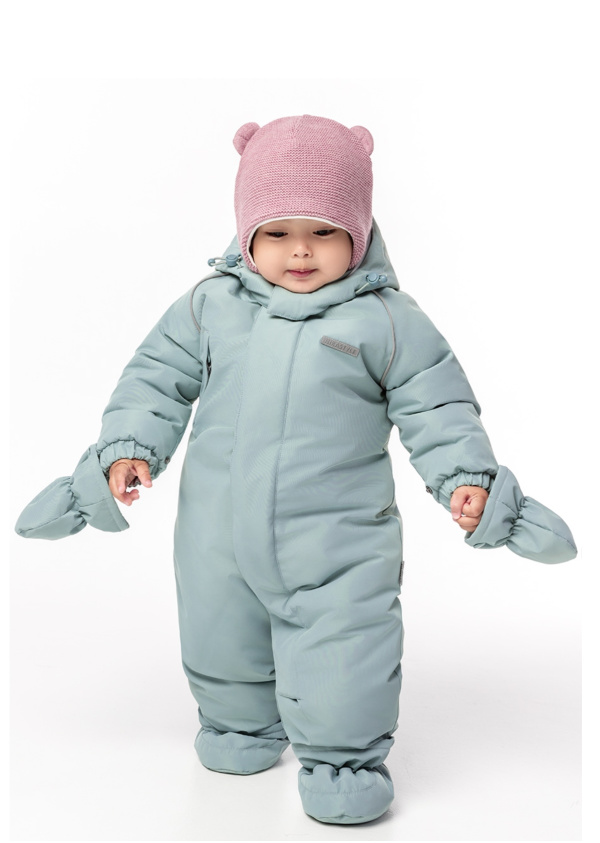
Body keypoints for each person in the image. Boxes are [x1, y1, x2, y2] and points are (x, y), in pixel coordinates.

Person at [15, 115, 577, 825]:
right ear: (246, 233)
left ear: (359, 233)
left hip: (338, 541)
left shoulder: (386, 321)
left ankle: (344, 760)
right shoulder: (210, 306)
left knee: (347, 649)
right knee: (220, 632)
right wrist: (131, 446)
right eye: (277, 232)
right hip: (217, 531)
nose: (301, 250)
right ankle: (240, 725)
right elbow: (155, 380)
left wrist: (465, 477)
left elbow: (438, 406)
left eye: (324, 231)